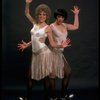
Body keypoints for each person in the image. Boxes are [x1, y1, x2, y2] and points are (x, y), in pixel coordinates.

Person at [17, 0, 71, 100]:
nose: (42, 16)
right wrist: (28, 3)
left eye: (44, 14)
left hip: (44, 54)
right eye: (40, 14)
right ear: (38, 15)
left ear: (47, 16)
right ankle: (28, 98)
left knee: (46, 78)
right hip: (35, 54)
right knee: (29, 76)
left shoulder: (48, 28)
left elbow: (52, 44)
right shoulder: (34, 23)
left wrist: (61, 45)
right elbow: (27, 13)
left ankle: (47, 98)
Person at [49, 6, 80, 100]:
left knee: (68, 72)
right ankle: (53, 98)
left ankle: (63, 96)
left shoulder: (65, 25)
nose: (60, 19)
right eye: (59, 17)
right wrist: (61, 46)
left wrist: (76, 15)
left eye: (62, 17)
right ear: (56, 17)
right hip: (53, 53)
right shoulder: (51, 26)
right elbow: (51, 43)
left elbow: (76, 26)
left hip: (60, 53)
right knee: (52, 77)